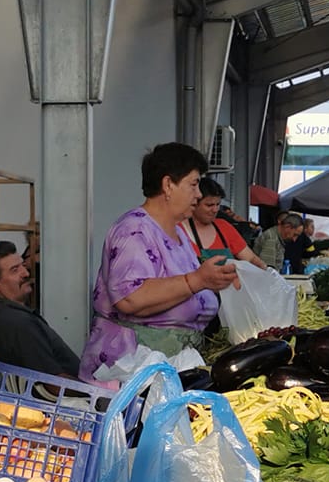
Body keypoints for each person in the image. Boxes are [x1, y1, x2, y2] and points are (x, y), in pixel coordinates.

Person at [79, 143, 239, 379]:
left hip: (167, 369)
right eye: (193, 184)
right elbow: (130, 298)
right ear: (168, 185)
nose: (198, 194)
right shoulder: (134, 230)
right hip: (130, 374)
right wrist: (197, 280)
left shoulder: (178, 232)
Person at [0, 241, 80, 379]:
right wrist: (95, 389)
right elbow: (51, 382)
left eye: (23, 266)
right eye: (15, 270)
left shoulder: (5, 317)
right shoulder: (18, 322)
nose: (26, 273)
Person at [186, 178, 271, 269]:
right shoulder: (180, 230)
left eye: (218, 204)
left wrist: (263, 269)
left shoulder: (224, 227)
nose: (215, 210)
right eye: (209, 205)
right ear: (194, 203)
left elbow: (251, 259)